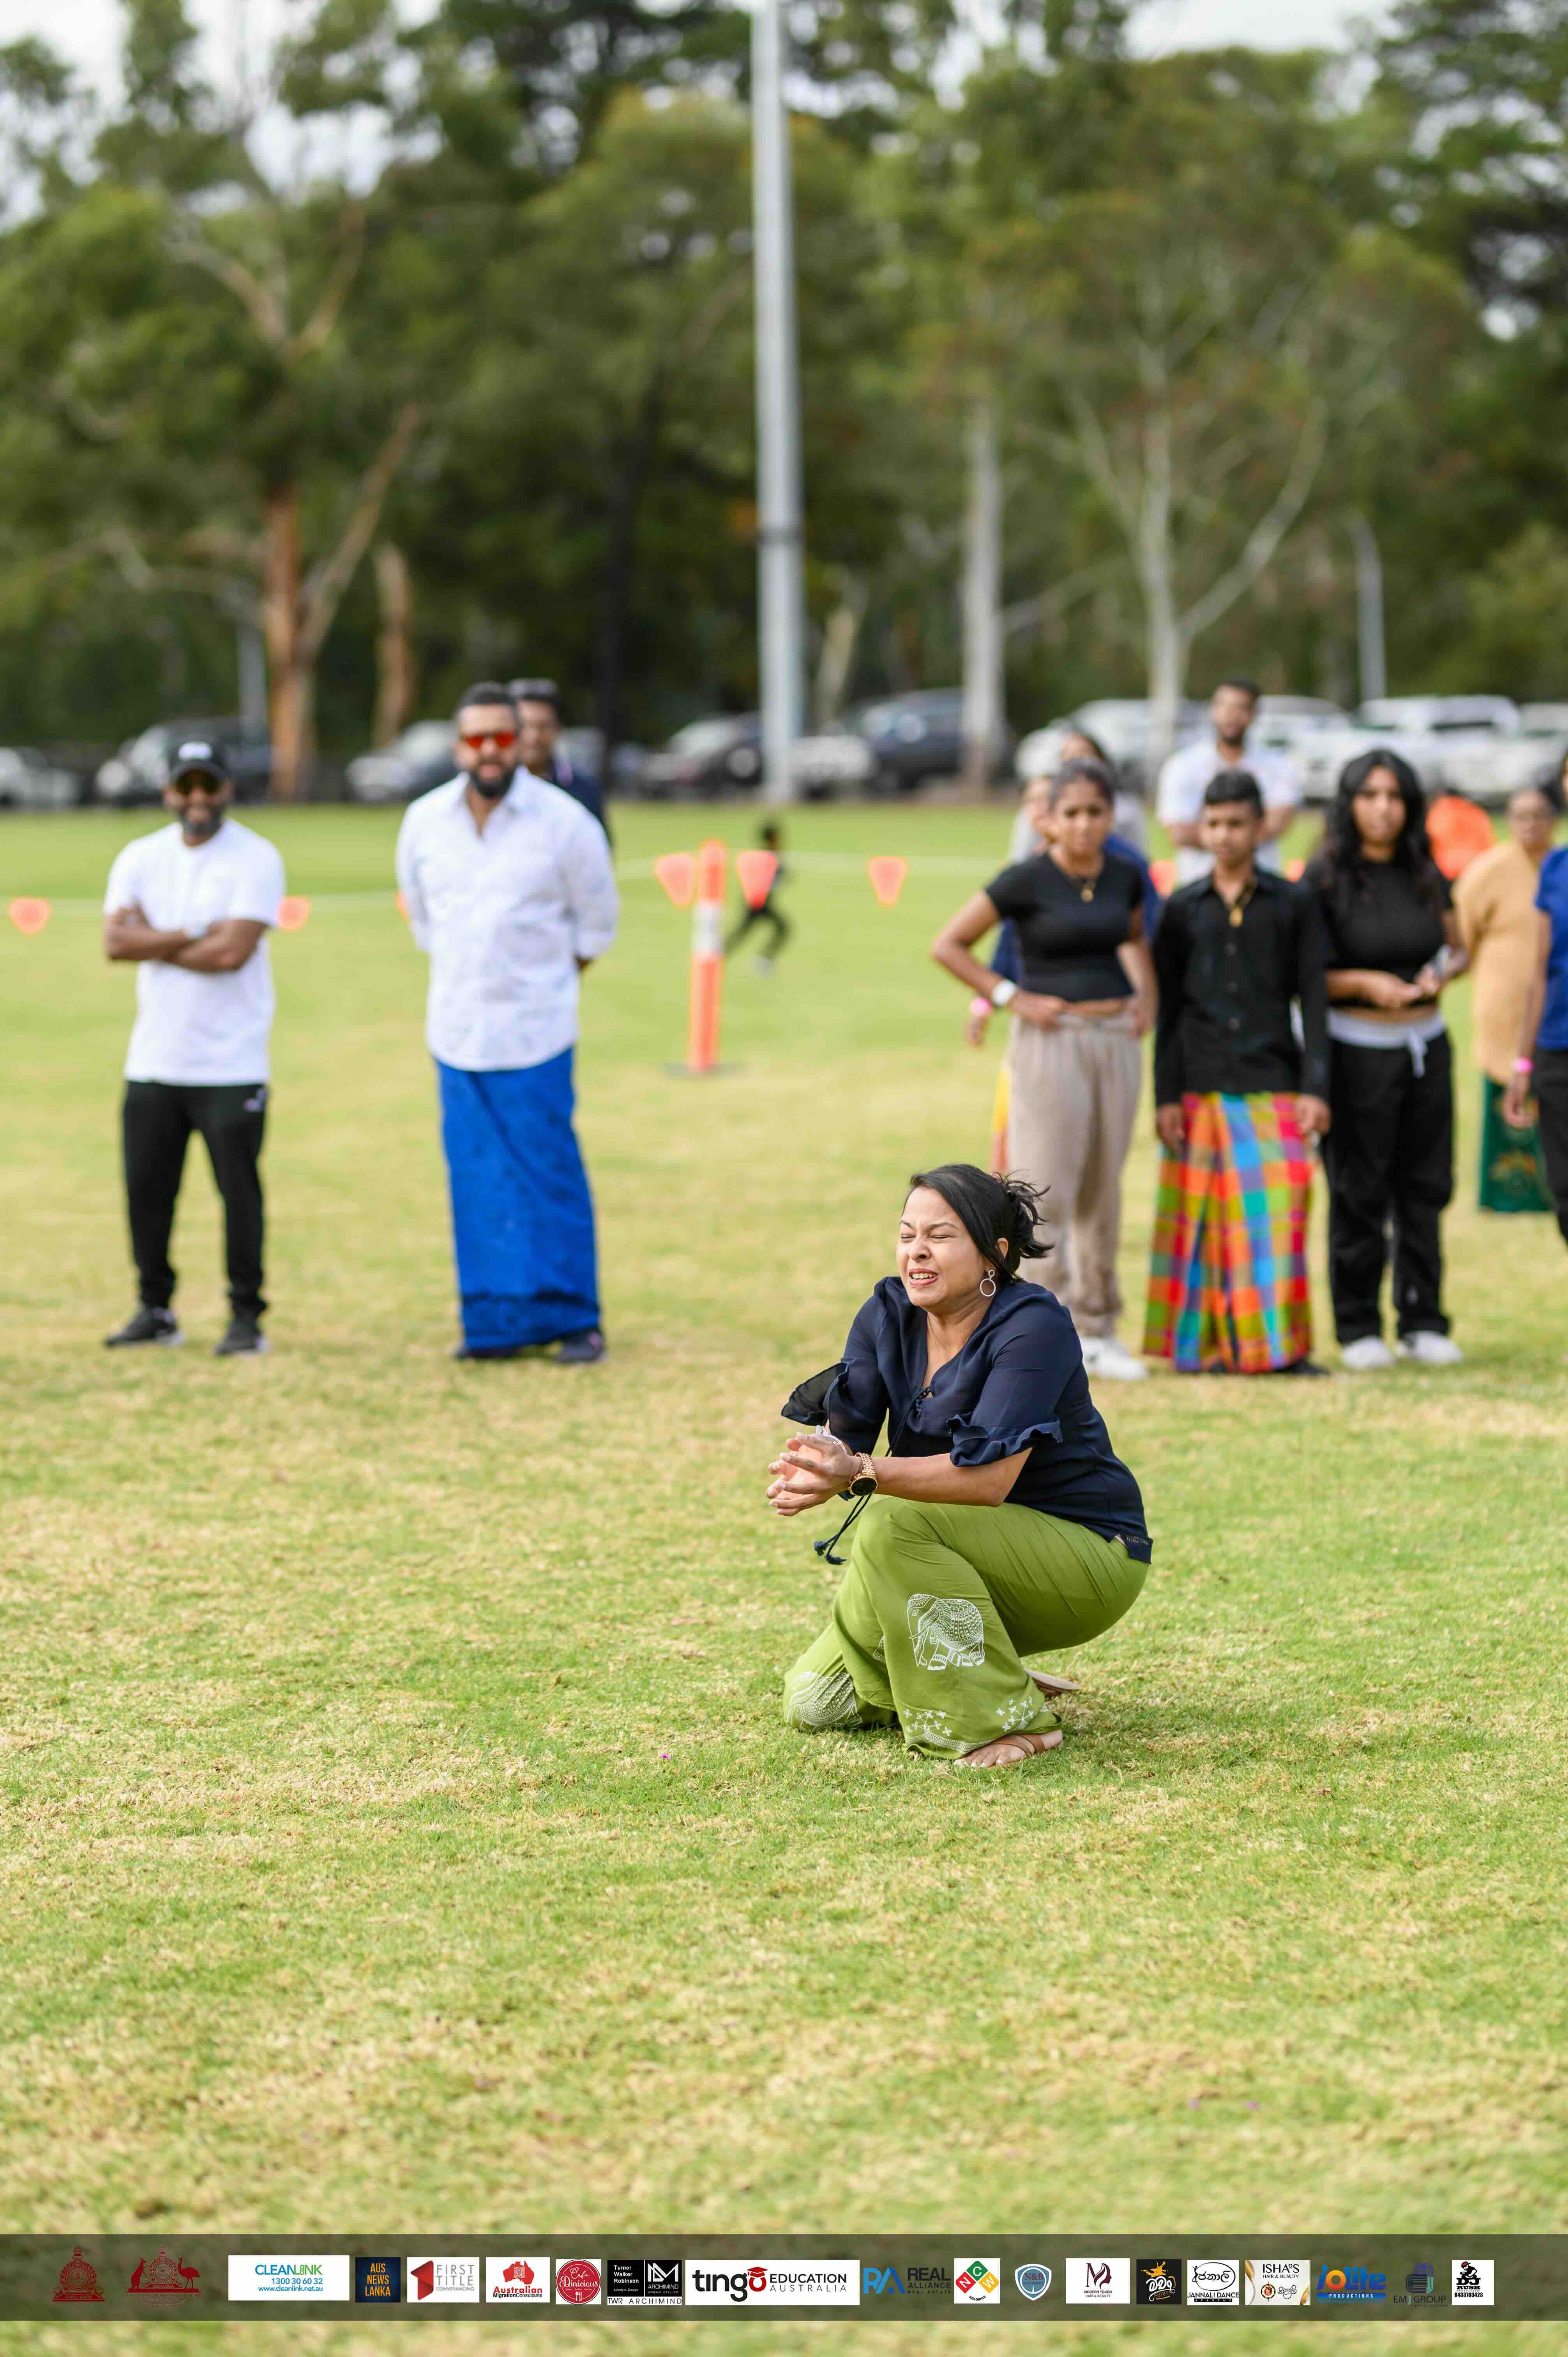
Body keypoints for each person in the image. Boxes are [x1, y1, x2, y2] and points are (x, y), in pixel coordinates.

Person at [770, 1166, 1150, 1767]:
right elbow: (850, 1435)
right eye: (907, 1234)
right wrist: (820, 1466)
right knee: (817, 1702)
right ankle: (990, 1664)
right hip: (953, 1548)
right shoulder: (888, 1314)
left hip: (1088, 1551)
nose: (916, 1251)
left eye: (940, 1236)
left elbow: (990, 1480)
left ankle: (1008, 1720)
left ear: (994, 1256)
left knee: (893, 1523)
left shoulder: (1034, 1326)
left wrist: (861, 1472)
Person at [396, 683, 619, 1362]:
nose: (488, 751)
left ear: (519, 742)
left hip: (535, 1032)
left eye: (501, 737)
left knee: (547, 1174)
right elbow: (425, 921)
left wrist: (541, 983)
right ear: (459, 745)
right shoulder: (424, 821)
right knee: (476, 1178)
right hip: (457, 1031)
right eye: (475, 739)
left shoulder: (564, 822)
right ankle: (494, 1321)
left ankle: (574, 1317)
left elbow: (596, 924)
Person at [934, 758, 1156, 1380]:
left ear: (1112, 817)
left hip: (1116, 1039)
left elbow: (1135, 938)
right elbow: (949, 945)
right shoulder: (1026, 879)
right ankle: (1041, 1330)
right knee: (1046, 1187)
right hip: (1050, 1040)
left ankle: (1099, 1324)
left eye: (1096, 813)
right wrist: (1012, 998)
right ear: (1048, 818)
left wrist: (1148, 999)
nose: (1084, 825)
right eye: (1072, 813)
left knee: (1103, 1184)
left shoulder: (1126, 874)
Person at [101, 738, 285, 1355]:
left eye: (210, 786)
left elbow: (232, 954)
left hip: (232, 1062)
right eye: (188, 787)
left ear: (228, 789)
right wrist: (191, 933)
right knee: (147, 1190)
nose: (199, 799)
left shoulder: (256, 858)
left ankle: (245, 1316)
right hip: (155, 1059)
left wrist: (152, 937)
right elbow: (114, 943)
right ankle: (155, 1308)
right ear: (169, 793)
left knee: (238, 1194)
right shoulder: (140, 856)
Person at [1143, 773, 1331, 1375]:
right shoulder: (1181, 908)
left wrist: (1316, 1090)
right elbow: (1168, 1011)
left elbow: (1315, 1001)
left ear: (1259, 828)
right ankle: (1205, 1348)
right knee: (1206, 1228)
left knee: (1279, 1224)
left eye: (1237, 824)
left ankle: (1281, 1351)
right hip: (1197, 1086)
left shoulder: (1293, 902)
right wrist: (1166, 1096)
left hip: (1272, 1081)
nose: (1224, 835)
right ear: (1201, 828)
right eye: (1215, 823)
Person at [1306, 749, 1469, 1370]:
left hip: (1425, 1047)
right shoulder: (1324, 878)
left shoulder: (1423, 869)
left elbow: (1456, 946)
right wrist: (1367, 985)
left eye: (1395, 796)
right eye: (1370, 796)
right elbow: (1309, 974)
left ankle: (1424, 1319)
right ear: (1349, 804)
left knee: (1426, 1187)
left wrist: (1443, 973)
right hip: (1357, 1051)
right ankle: (1358, 1325)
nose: (1383, 808)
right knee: (1359, 1189)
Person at [1455, 777, 1562, 1212]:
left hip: (1556, 1013)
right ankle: (1505, 1197)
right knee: (1506, 1099)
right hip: (1504, 1007)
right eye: (1521, 816)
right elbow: (1464, 934)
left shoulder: (1558, 866)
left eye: (1539, 816)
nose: (1530, 825)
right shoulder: (1488, 871)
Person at [1502, 777, 1568, 1248]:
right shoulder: (1556, 868)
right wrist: (1522, 1065)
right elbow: (1541, 972)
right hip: (1556, 1051)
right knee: (1564, 1189)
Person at [1157, 678, 1300, 884]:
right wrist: (1242, 835)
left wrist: (1209, 833)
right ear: (1212, 710)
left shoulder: (1280, 767)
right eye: (1223, 706)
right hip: (1198, 885)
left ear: (1253, 715)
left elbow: (1277, 823)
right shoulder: (1182, 766)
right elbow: (1179, 832)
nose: (1231, 715)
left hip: (1262, 886)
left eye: (1240, 708)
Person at [509, 678, 609, 837]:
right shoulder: (491, 788)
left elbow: (599, 852)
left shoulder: (584, 789)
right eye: (524, 726)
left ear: (558, 728)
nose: (533, 736)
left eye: (543, 727)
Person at [725, 820, 791, 971]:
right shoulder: (767, 856)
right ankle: (763, 960)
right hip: (756, 903)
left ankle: (764, 959)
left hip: (761, 903)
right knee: (744, 933)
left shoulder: (773, 855)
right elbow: (768, 880)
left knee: (745, 933)